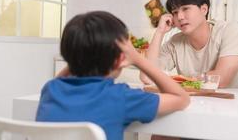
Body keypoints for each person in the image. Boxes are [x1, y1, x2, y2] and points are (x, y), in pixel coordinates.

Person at [35, 11, 190, 140]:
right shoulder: (120, 96)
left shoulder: (51, 89)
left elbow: (63, 76)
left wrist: (80, 52)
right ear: (120, 60)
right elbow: (181, 98)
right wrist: (137, 58)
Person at [140, 0, 238, 88]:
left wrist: (179, 81)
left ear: (204, 9)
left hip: (233, 102)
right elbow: (147, 77)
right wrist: (159, 32)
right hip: (194, 101)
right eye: (175, 12)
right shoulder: (175, 42)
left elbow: (222, 79)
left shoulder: (230, 31)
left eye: (185, 9)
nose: (180, 17)